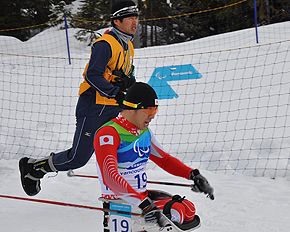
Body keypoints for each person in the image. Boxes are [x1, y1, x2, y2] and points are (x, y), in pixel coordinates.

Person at [19, 0, 139, 196]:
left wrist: (129, 83)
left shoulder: (128, 45)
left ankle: (123, 187)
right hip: (94, 106)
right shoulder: (105, 44)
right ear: (117, 21)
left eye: (136, 17)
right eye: (130, 18)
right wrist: (116, 92)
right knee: (78, 158)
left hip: (114, 106)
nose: (135, 22)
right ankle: (34, 168)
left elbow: (124, 73)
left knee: (125, 144)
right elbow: (92, 76)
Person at [94, 82, 214, 228]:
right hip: (121, 203)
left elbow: (164, 160)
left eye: (155, 111)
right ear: (133, 108)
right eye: (149, 110)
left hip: (143, 199)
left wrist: (193, 175)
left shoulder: (144, 132)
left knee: (187, 209)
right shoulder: (108, 133)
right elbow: (109, 176)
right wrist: (142, 203)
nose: (152, 116)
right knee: (176, 211)